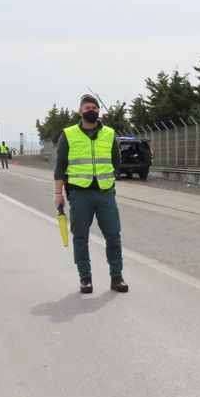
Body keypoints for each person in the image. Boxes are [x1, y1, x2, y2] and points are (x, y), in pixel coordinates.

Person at [53, 94, 127, 294]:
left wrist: (111, 182)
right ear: (80, 111)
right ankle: (85, 278)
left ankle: (116, 277)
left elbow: (116, 162)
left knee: (113, 236)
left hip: (105, 193)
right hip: (80, 194)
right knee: (80, 237)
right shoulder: (68, 134)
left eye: (95, 107)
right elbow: (60, 167)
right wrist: (58, 193)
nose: (92, 110)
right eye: (87, 108)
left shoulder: (110, 134)